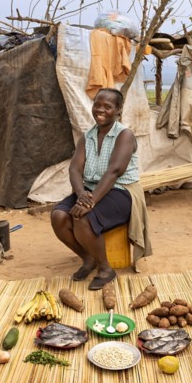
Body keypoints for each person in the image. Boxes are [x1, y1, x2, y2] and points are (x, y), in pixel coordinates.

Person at [51, 88, 140, 290]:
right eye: (97, 105)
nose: (100, 110)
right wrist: (81, 193)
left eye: (107, 106)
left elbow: (114, 171)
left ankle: (105, 269)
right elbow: (75, 168)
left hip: (121, 191)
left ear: (118, 110)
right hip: (91, 190)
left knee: (82, 217)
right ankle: (88, 258)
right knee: (58, 216)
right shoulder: (88, 136)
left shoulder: (124, 135)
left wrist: (90, 202)